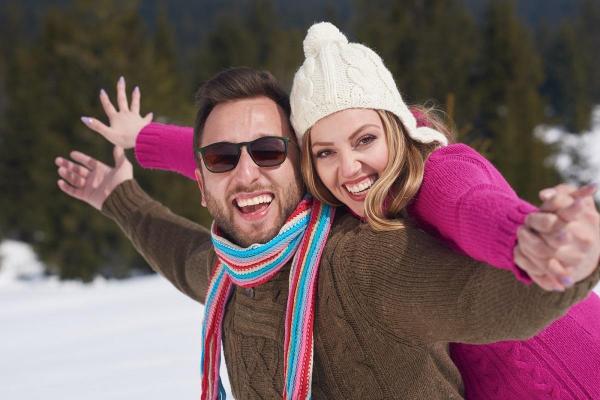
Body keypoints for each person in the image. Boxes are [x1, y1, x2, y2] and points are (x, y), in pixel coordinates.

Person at [56, 24, 600, 400]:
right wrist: (132, 164)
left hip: (573, 368)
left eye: (365, 139)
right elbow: (211, 204)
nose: (351, 168)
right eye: (325, 152)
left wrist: (535, 241)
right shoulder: (240, 269)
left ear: (395, 127)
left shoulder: (427, 181)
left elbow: (474, 209)